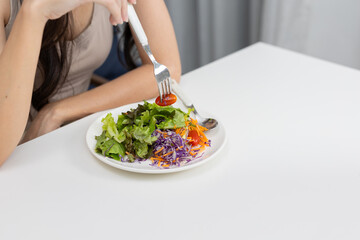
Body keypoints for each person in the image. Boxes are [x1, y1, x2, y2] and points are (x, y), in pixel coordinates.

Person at [0, 0, 181, 165]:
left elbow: (167, 68)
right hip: (18, 156)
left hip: (77, 136)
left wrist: (57, 112)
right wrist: (35, 12)